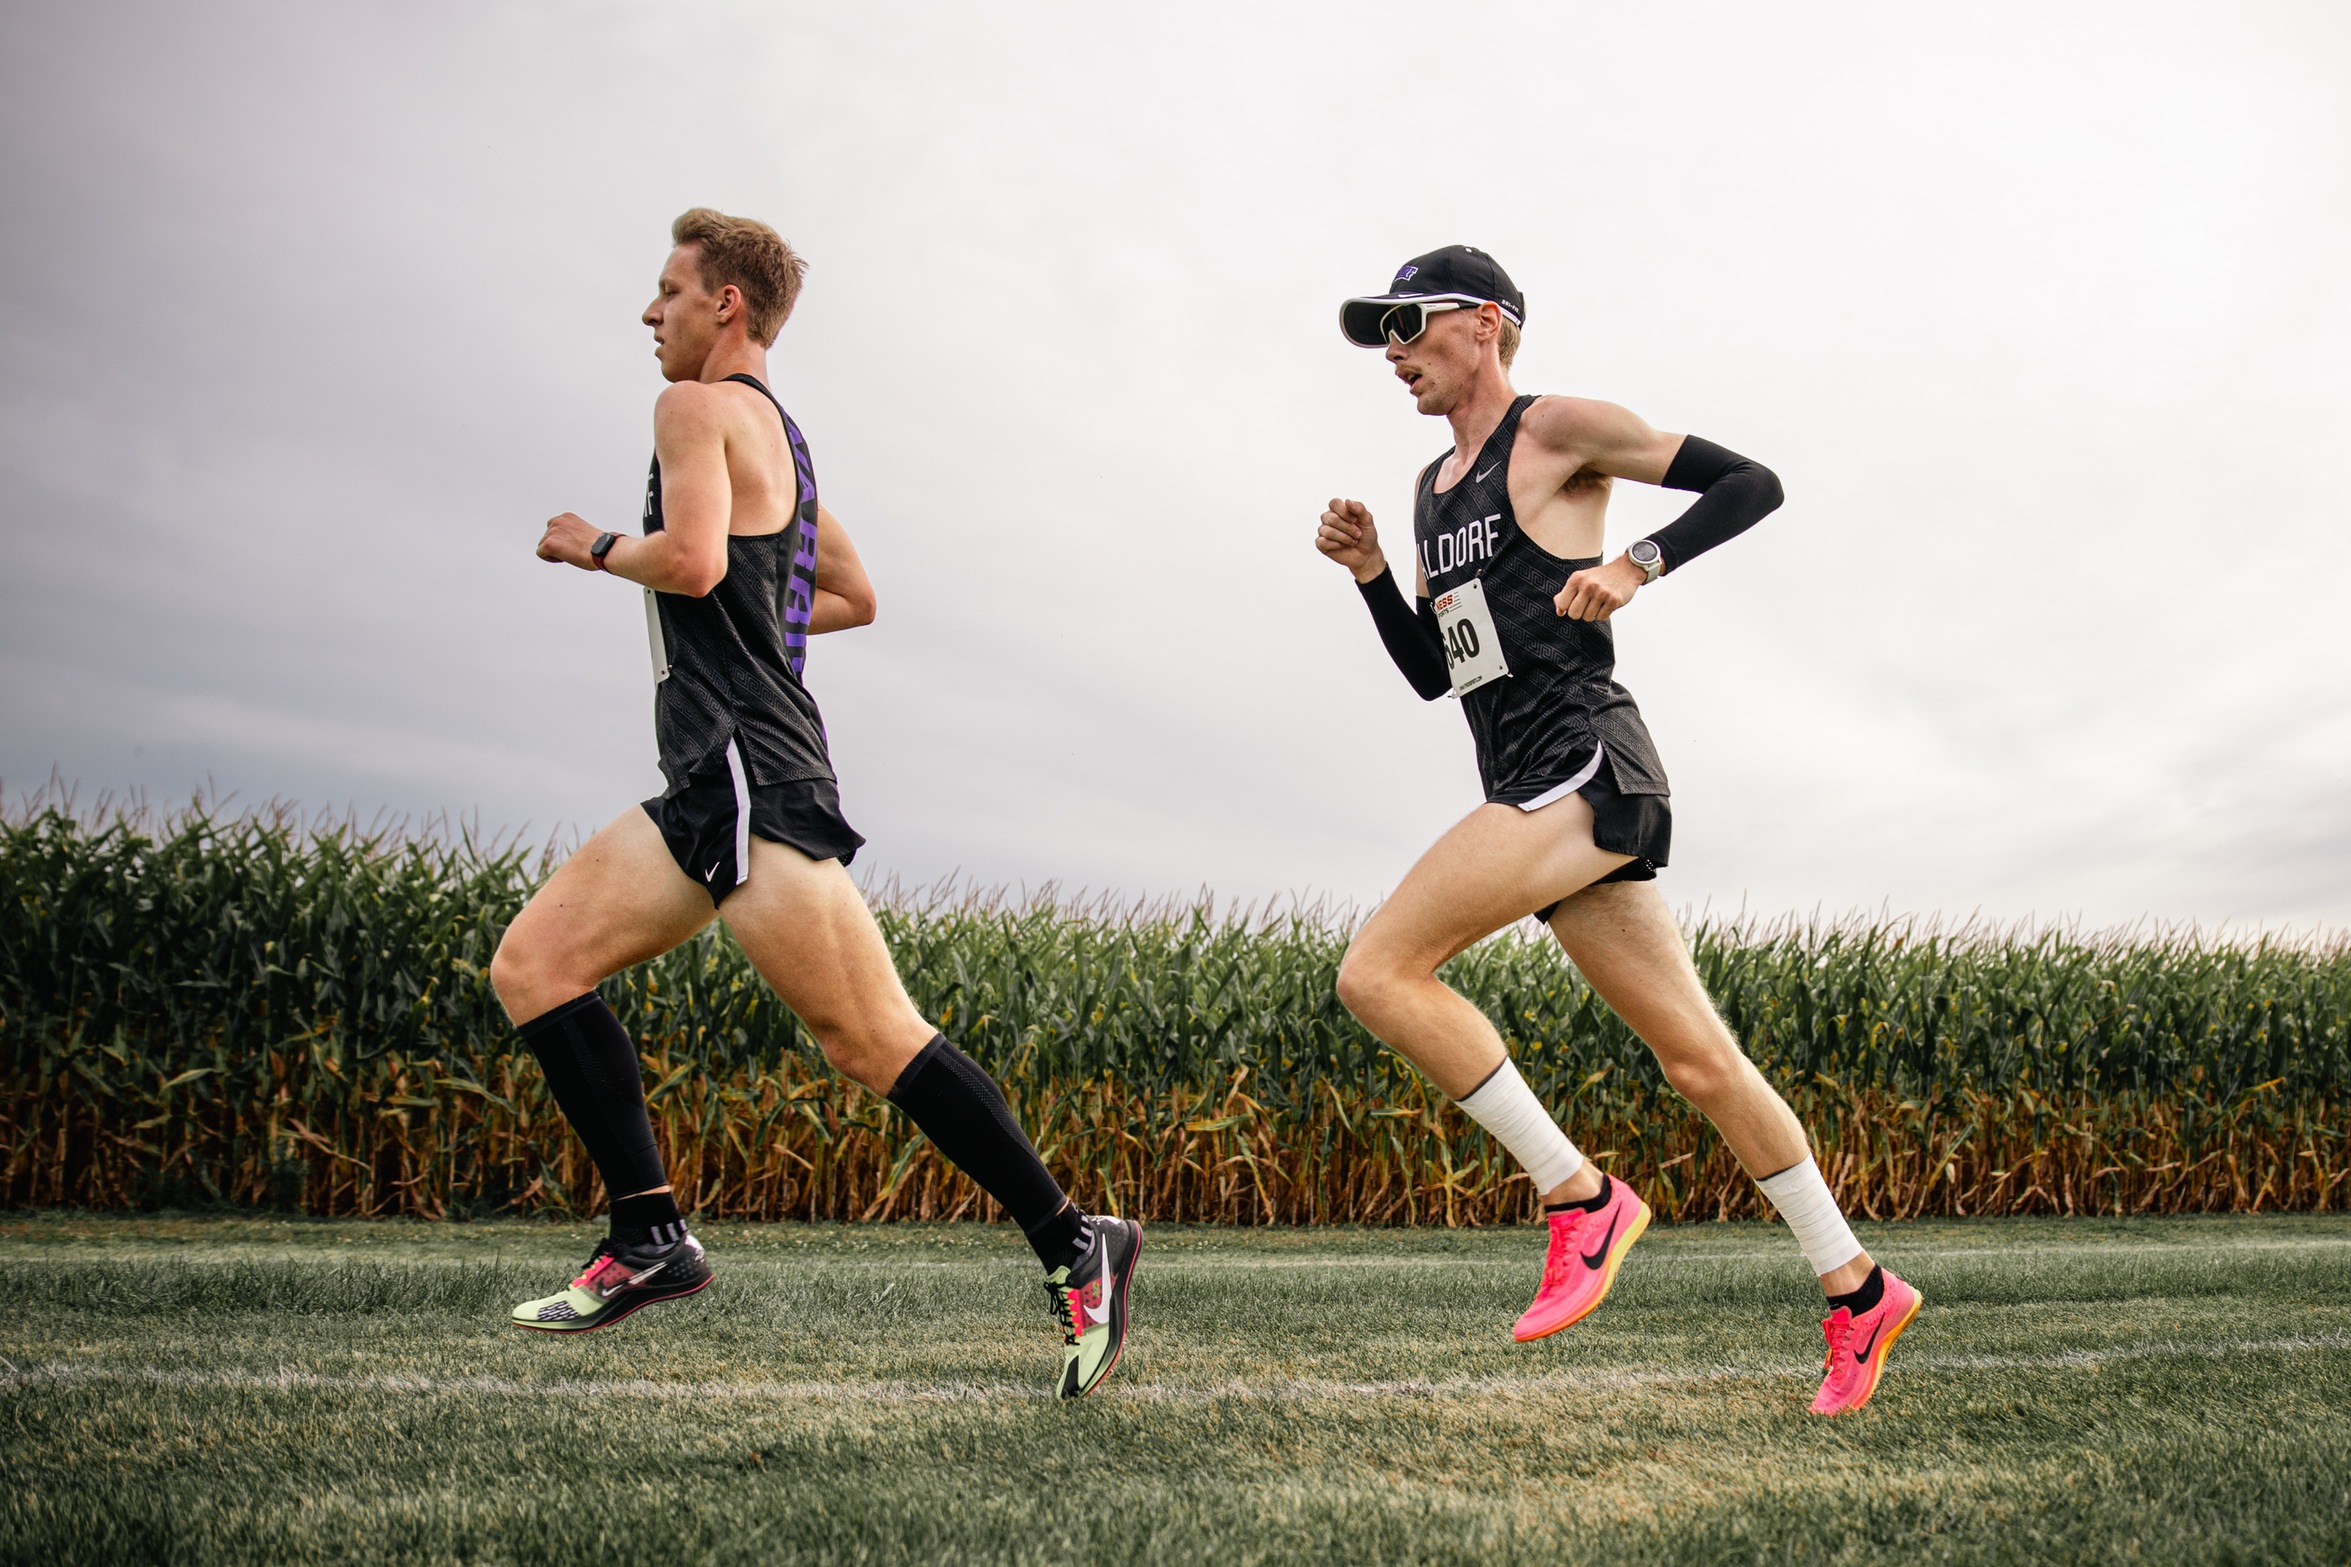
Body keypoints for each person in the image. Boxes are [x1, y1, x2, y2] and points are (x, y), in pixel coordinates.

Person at [488, 208, 1139, 1400]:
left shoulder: (691, 410)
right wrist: (749, 626)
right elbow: (847, 591)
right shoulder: (781, 439)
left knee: (868, 1038)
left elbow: (686, 563)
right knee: (535, 964)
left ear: (725, 304)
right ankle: (648, 1237)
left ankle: (1073, 1240)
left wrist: (593, 543)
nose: (651, 312)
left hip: (746, 772)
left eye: (669, 291)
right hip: (711, 780)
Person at [1315, 245, 1919, 1416]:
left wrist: (1636, 562)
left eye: (1407, 323)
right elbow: (1437, 676)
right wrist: (1373, 574)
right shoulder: (1433, 491)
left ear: (1482, 324)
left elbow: (1751, 481)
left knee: (1378, 971)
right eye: (1378, 332)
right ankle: (1857, 1289)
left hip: (1580, 761)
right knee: (1699, 1060)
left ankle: (1579, 1198)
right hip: (1536, 781)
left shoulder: (1559, 428)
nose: (1391, 350)